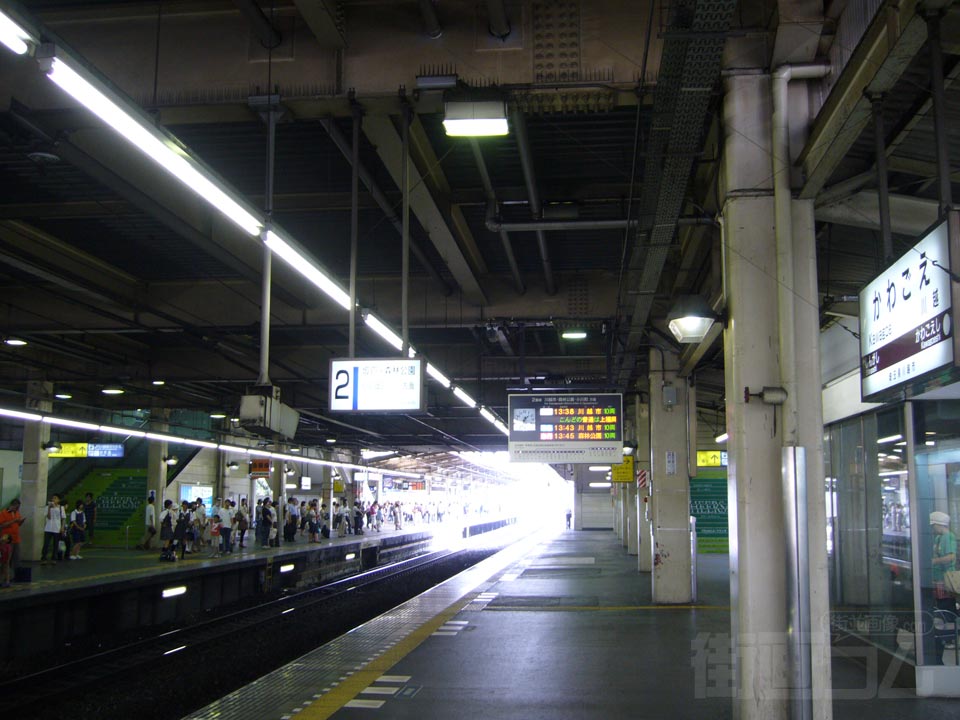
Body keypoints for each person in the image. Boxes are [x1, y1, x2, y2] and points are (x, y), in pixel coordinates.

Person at [0, 499, 24, 576]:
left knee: (16, 557)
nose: (17, 509)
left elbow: (18, 524)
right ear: (12, 506)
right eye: (16, 507)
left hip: (16, 538)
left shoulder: (17, 513)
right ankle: (6, 576)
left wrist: (21, 521)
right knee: (6, 559)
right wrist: (13, 521)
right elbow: (2, 525)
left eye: (18, 508)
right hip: (7, 539)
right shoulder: (3, 513)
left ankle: (16, 575)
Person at [41, 494, 66, 564]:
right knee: (46, 543)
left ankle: (54, 558)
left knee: (56, 544)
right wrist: (49, 508)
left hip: (57, 528)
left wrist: (62, 527)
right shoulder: (47, 507)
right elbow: (48, 517)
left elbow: (63, 518)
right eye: (52, 498)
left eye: (55, 498)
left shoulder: (61, 508)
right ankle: (44, 558)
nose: (53, 500)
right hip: (48, 527)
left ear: (58, 500)